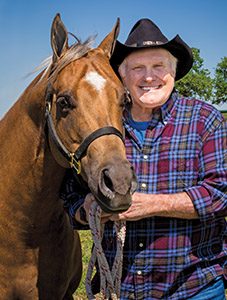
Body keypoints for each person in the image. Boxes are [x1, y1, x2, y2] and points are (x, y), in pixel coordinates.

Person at [60, 18, 227, 299]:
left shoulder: (204, 119)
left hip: (193, 287)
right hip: (123, 289)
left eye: (159, 66)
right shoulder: (100, 126)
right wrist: (85, 208)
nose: (149, 77)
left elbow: (221, 193)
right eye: (138, 68)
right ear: (122, 76)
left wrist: (151, 204)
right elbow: (70, 194)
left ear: (173, 72)